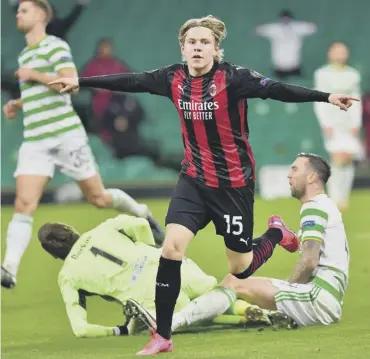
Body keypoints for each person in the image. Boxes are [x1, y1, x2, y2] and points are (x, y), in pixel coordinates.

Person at [50, 15, 358, 356]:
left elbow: (278, 89)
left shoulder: (234, 78)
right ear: (183, 49)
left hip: (234, 185)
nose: (198, 47)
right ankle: (163, 336)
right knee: (171, 249)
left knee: (238, 268)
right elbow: (131, 81)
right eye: (192, 42)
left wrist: (326, 96)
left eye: (205, 42)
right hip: (194, 180)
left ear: (216, 49)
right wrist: (80, 80)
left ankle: (275, 234)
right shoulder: (172, 77)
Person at [1, 0, 163, 290]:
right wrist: (19, 102)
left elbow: (71, 83)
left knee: (98, 198)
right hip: (36, 139)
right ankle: (9, 268)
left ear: (41, 15)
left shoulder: (55, 47)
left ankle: (142, 213)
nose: (18, 14)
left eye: (24, 10)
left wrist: (35, 76)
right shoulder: (26, 54)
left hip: (66, 136)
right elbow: (43, 93)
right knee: (24, 204)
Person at [37, 214, 277, 338]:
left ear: (52, 253)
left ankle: (243, 320)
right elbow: (141, 222)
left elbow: (80, 329)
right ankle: (256, 310)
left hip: (149, 296)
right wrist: (151, 249)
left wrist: (120, 330)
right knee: (218, 294)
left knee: (190, 318)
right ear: (69, 230)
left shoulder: (67, 275)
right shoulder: (104, 227)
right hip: (170, 265)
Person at [218, 153, 349, 328]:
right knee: (239, 286)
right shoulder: (326, 205)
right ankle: (261, 315)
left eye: (295, 169)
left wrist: (288, 287)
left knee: (231, 283)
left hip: (318, 298)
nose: (289, 175)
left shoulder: (314, 207)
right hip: (326, 298)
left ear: (311, 177)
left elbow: (309, 261)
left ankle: (179, 321)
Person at [314, 42, 363, 211]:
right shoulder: (322, 74)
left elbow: (357, 100)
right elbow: (319, 99)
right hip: (332, 122)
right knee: (337, 158)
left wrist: (356, 122)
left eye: (343, 51)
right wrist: (326, 123)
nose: (340, 54)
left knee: (348, 158)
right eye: (337, 51)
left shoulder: (353, 74)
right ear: (329, 53)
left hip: (348, 122)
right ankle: (334, 197)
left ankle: (344, 197)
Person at [256, 9, 317, 79]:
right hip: (279, 66)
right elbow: (259, 29)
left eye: (288, 17)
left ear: (291, 18)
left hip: (294, 66)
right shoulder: (275, 28)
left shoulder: (297, 28)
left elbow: (313, 27)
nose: (286, 19)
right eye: (284, 17)